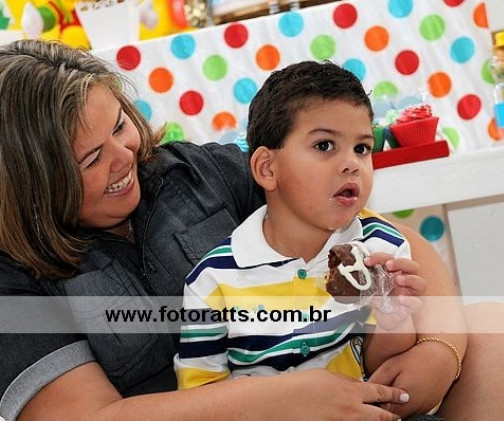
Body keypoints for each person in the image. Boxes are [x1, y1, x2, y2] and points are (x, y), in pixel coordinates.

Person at [0, 38, 504, 421]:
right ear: (30, 184)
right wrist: (276, 401)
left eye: (120, 126)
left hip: (343, 396)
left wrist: (440, 351)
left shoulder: (199, 175)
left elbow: (398, 242)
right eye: (91, 158)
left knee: (494, 327)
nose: (124, 156)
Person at [174, 61, 424, 389]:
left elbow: (380, 369)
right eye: (324, 145)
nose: (352, 164)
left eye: (362, 148)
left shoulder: (379, 246)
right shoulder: (212, 280)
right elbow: (202, 396)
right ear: (267, 168)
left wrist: (395, 320)